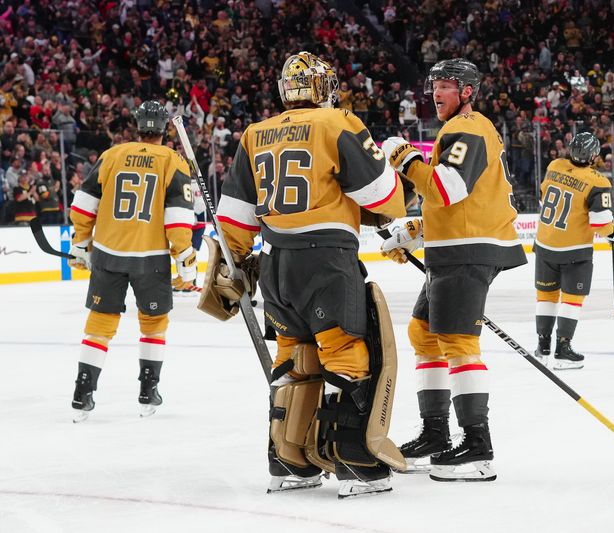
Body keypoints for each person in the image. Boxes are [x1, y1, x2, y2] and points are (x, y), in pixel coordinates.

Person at [204, 52, 407, 498]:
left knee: (294, 359)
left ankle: (288, 462)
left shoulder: (255, 134)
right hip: (327, 262)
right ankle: (352, 460)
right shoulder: (338, 123)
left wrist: (228, 267)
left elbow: (233, 219)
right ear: (324, 88)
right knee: (346, 351)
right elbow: (384, 194)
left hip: (276, 262)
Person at [379, 58, 527, 481]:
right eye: (434, 86)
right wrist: (418, 231)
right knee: (424, 334)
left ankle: (478, 449)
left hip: (468, 252)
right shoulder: (460, 129)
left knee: (457, 342)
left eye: (446, 85)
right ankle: (436, 436)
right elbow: (463, 200)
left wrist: (403, 158)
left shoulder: (466, 128)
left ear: (466, 92)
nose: (436, 93)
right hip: (454, 248)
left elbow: (445, 188)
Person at [68, 100, 196, 422]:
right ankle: (147, 391)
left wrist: (81, 242)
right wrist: (184, 256)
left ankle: (82, 392)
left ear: (136, 126)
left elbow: (84, 203)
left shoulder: (112, 155)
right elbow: (178, 217)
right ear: (164, 129)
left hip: (108, 254)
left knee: (100, 323)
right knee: (153, 325)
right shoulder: (172, 160)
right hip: (150, 258)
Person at [533, 132, 614, 370]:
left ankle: (542, 349)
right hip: (574, 251)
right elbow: (601, 225)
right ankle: (562, 350)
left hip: (544, 244)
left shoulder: (554, 165)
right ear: (593, 155)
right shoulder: (598, 181)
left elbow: (542, 199)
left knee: (546, 296)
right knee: (571, 301)